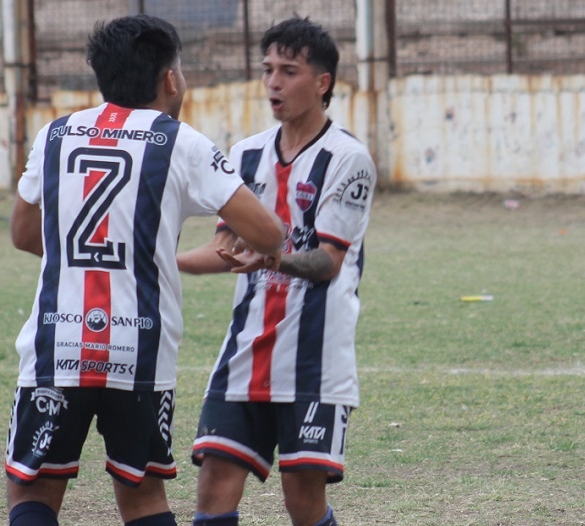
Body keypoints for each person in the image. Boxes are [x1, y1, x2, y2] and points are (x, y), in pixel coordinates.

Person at [5, 15, 285, 526]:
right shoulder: (181, 143)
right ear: (170, 79)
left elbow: (24, 234)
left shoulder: (55, 135)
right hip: (139, 351)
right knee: (144, 498)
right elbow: (269, 233)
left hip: (57, 344)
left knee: (33, 492)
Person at [176, 17, 377, 526]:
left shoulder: (348, 159)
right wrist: (159, 263)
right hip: (245, 351)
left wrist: (274, 259)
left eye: (288, 71)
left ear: (322, 82)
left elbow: (328, 262)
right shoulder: (245, 155)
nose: (273, 82)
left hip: (314, 358)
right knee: (214, 484)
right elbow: (223, 248)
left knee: (302, 500)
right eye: (268, 70)